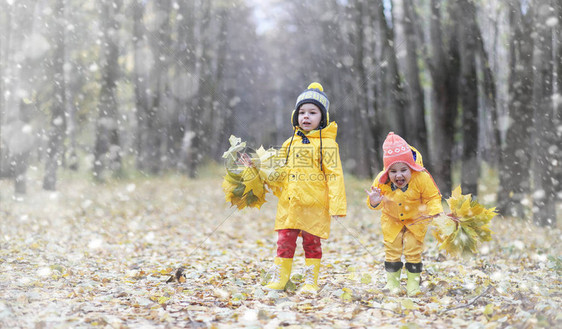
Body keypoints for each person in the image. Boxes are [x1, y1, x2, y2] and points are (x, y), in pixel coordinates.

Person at [242, 82, 347, 294]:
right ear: (295, 115)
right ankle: (280, 278)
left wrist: (337, 206)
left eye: (312, 112)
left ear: (322, 118)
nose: (306, 117)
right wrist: (256, 169)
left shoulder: (327, 145)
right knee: (284, 241)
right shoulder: (289, 143)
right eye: (302, 112)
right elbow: (278, 173)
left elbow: (335, 176)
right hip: (289, 203)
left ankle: (311, 280)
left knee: (312, 243)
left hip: (314, 205)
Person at [365, 132, 443, 296]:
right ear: (387, 172)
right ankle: (393, 283)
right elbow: (374, 205)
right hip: (392, 221)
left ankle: (413, 285)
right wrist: (374, 200)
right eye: (393, 171)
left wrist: (435, 211)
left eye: (403, 170)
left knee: (413, 251)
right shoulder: (381, 180)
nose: (398, 175)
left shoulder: (421, 177)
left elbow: (432, 196)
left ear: (411, 168)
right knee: (392, 250)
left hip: (416, 221)